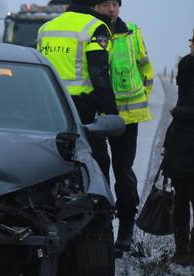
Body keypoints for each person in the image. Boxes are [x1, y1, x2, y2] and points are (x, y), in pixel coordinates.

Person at [92, 0, 154, 254]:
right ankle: (101, 228)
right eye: (105, 4)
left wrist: (143, 95)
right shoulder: (91, 32)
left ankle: (126, 230)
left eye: (115, 4)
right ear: (95, 7)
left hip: (128, 117)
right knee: (98, 172)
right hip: (96, 117)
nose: (111, 9)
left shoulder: (133, 33)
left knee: (123, 172)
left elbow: (145, 67)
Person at [37, 0, 119, 176]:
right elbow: (99, 74)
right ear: (93, 5)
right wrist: (111, 114)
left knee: (52, 159)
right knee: (97, 163)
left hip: (47, 106)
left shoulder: (46, 28)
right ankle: (97, 201)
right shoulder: (96, 27)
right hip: (81, 110)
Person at [162, 28, 194, 267]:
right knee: (181, 198)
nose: (191, 46)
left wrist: (179, 112)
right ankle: (181, 250)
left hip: (192, 143)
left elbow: (184, 107)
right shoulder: (187, 68)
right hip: (181, 142)